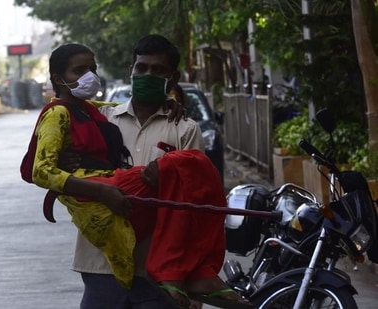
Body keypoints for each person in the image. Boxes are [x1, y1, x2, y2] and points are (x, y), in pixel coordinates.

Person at [27, 36, 249, 309]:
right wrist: (65, 160)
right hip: (102, 264)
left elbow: (195, 207)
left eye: (158, 70)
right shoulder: (102, 120)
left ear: (173, 77)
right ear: (131, 70)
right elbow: (49, 163)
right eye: (141, 68)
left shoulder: (184, 128)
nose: (147, 75)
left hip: (159, 271)